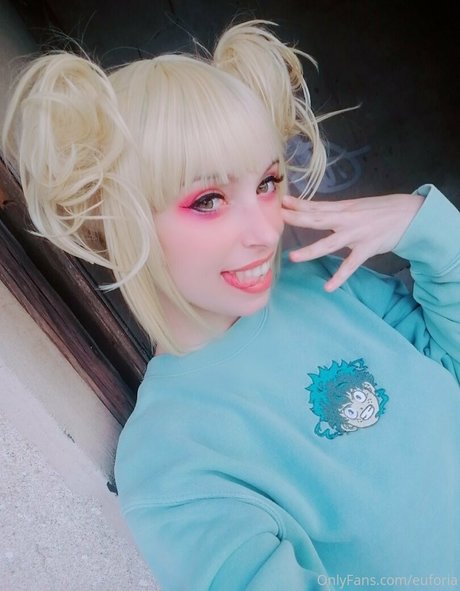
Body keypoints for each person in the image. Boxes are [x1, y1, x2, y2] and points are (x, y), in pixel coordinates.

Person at [2, 18, 459, 591]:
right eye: (208, 199)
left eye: (266, 183)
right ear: (121, 218)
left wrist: (429, 231)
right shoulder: (170, 456)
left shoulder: (320, 280)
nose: (265, 231)